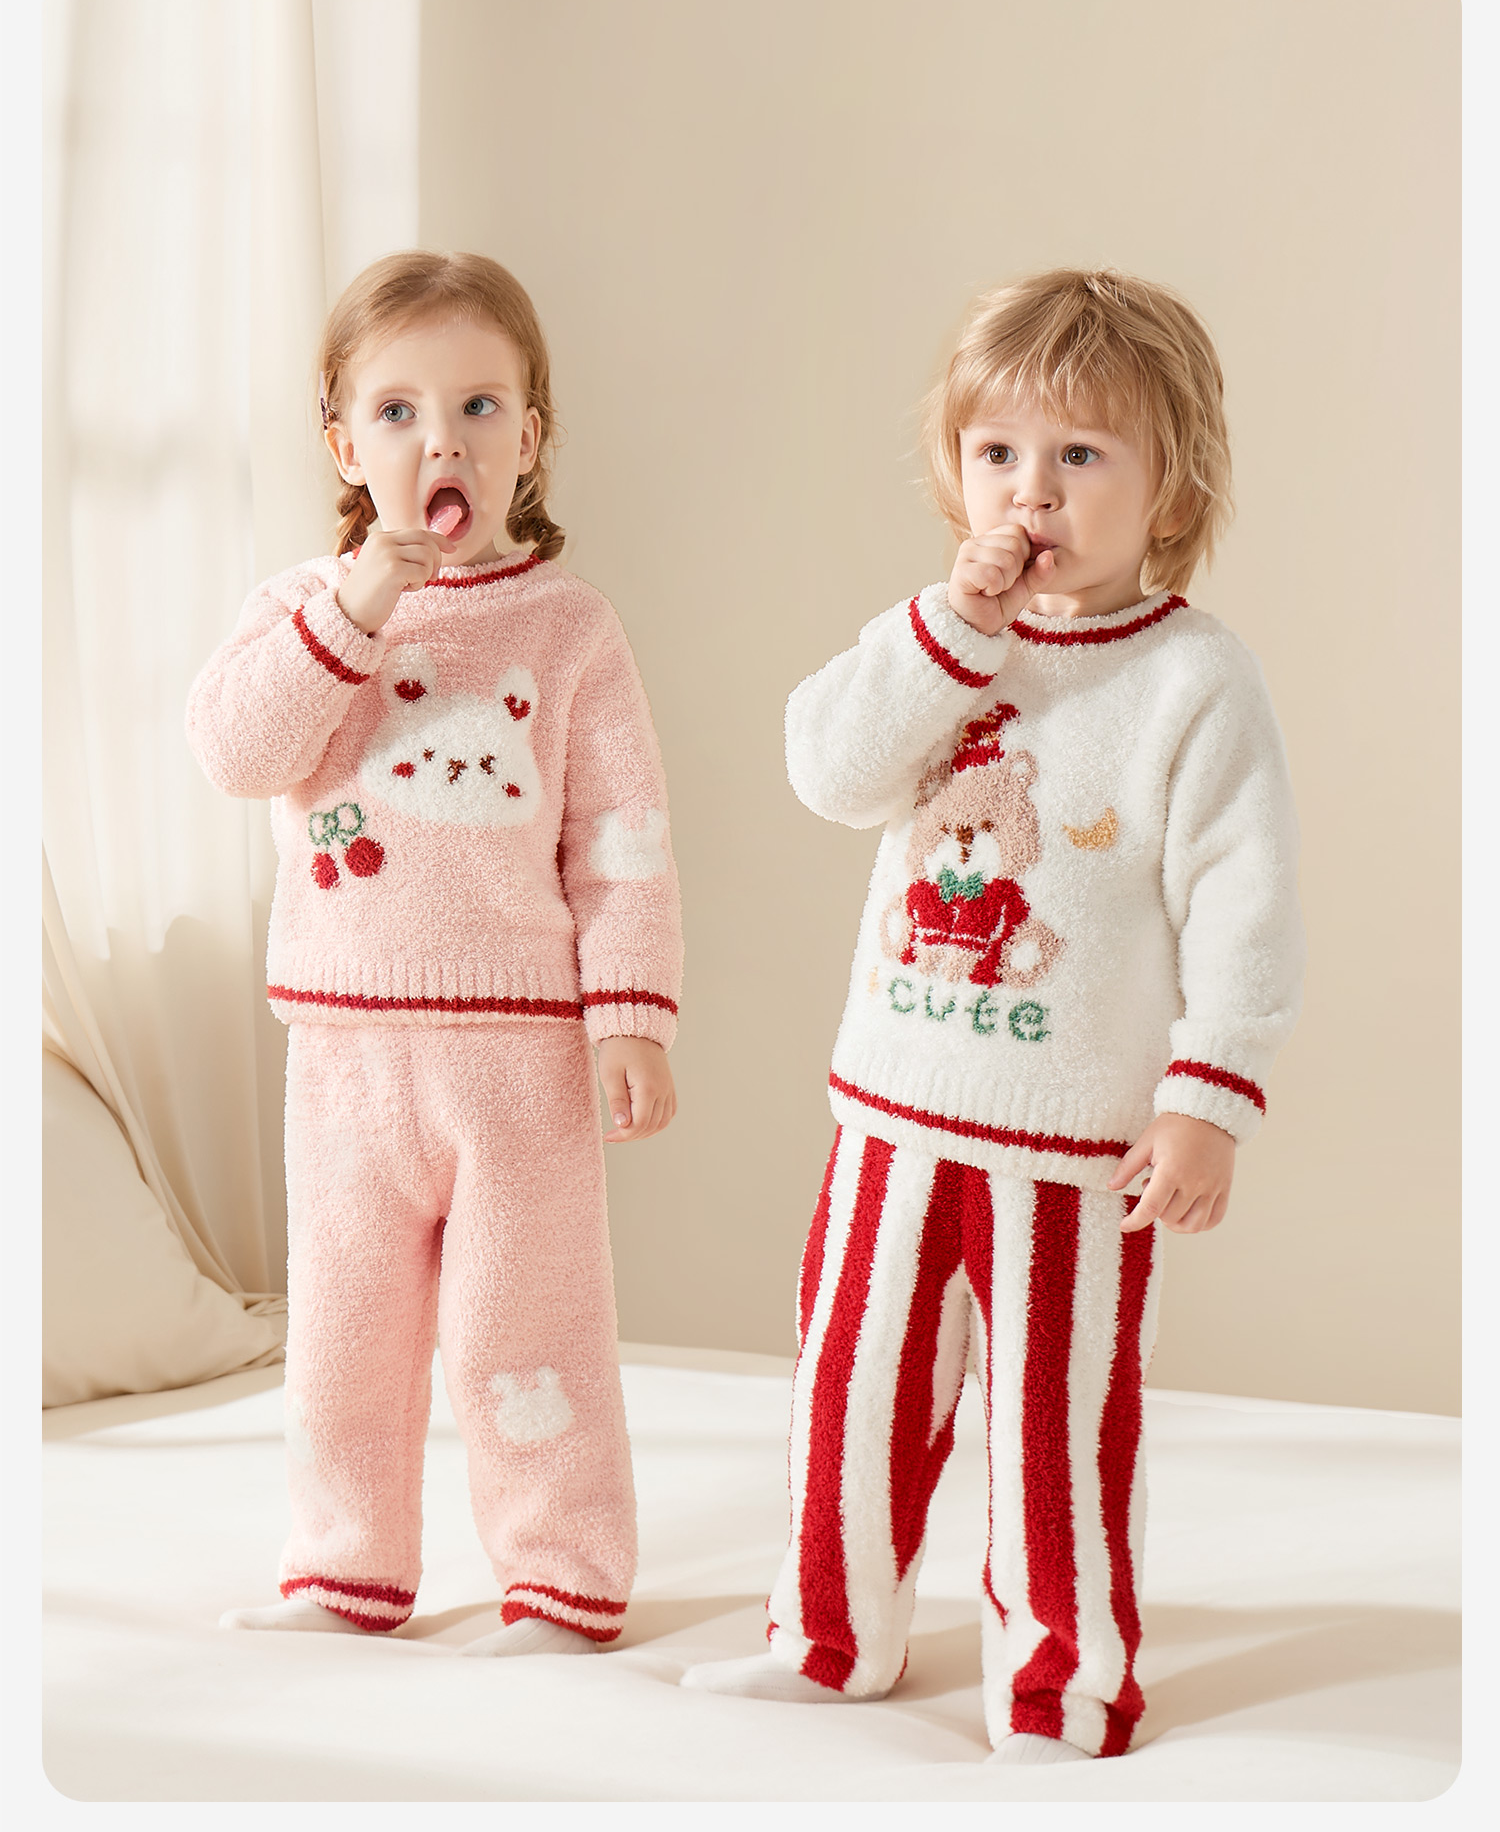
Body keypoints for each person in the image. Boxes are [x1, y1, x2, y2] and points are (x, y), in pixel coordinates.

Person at [682, 268, 1303, 1761]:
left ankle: (1061, 1680)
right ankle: (827, 1636)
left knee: (1055, 1422)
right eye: (998, 452)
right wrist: (948, 633)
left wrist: (1207, 1097)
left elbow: (1246, 902)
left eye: (1081, 454)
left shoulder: (1196, 680)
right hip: (892, 1114)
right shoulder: (940, 644)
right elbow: (832, 774)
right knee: (852, 1391)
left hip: (1074, 1149)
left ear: (1170, 487)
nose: (1033, 490)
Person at [187, 249, 681, 1654]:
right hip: (348, 1051)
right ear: (345, 444)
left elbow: (620, 838)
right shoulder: (302, 609)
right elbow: (237, 750)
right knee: (346, 1332)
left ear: (531, 437)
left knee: (530, 1325)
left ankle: (565, 1574)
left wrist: (630, 1014)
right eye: (398, 411)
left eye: (478, 407)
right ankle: (343, 1571)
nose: (441, 441)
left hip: (519, 1058)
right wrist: (355, 610)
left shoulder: (571, 627)